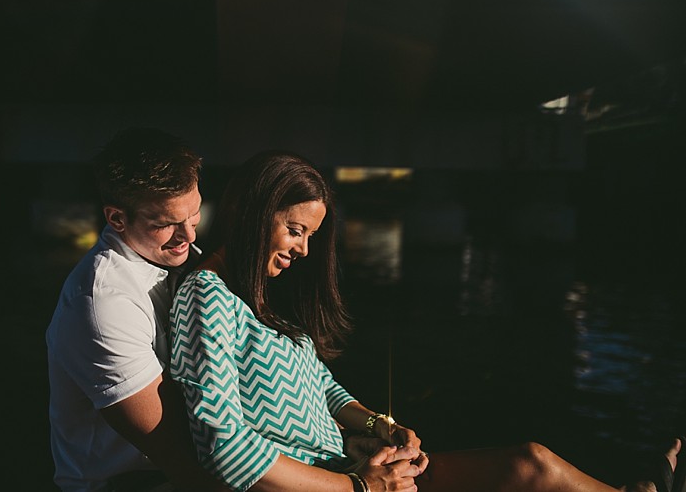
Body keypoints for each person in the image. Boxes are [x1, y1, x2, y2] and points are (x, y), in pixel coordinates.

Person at [169, 149, 685, 492]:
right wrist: (363, 486)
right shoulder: (208, 296)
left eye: (310, 236)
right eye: (295, 230)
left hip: (351, 466)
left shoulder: (259, 296)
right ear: (258, 213)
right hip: (340, 483)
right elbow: (224, 447)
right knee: (529, 473)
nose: (304, 249)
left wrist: (379, 427)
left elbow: (320, 386)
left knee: (531, 461)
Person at [45, 127, 227, 492]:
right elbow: (170, 448)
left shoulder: (183, 259)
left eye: (193, 216)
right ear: (117, 219)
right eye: (164, 224)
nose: (188, 236)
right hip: (127, 482)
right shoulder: (102, 304)